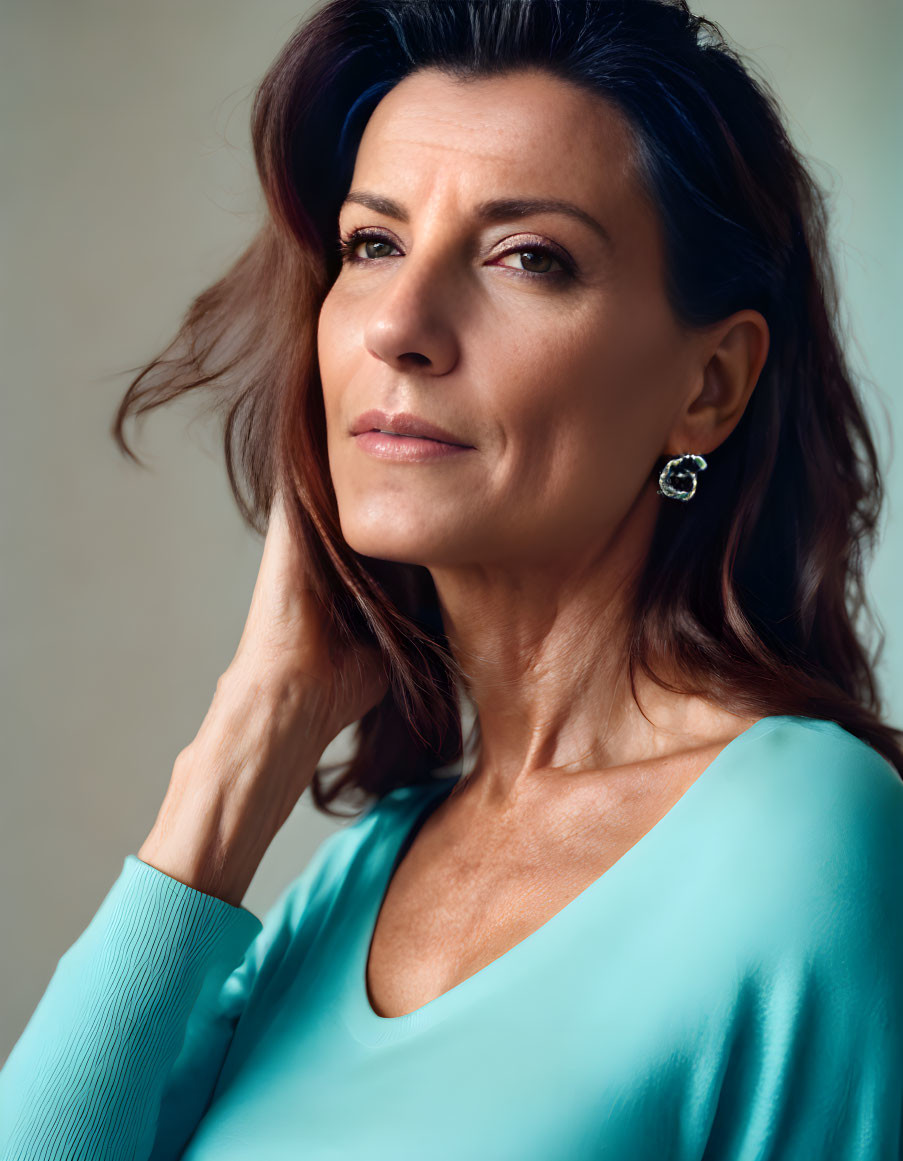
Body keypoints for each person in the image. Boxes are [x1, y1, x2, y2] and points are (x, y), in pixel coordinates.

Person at [2, 0, 902, 1157]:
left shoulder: (808, 836)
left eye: (527, 256)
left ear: (710, 387)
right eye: (374, 245)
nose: (401, 326)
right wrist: (247, 736)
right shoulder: (366, 870)